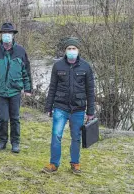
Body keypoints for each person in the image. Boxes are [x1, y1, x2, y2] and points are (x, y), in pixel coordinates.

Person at [42, 37, 95, 175]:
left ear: (78, 50)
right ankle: (53, 164)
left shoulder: (86, 67)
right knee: (56, 135)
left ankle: (75, 163)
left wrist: (90, 111)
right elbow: (52, 87)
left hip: (78, 108)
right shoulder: (58, 66)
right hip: (60, 107)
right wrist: (48, 107)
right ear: (65, 51)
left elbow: (90, 91)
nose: (72, 51)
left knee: (76, 137)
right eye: (69, 49)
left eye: (74, 49)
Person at [0, 22, 32, 153]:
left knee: (15, 118)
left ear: (13, 35)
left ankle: (15, 142)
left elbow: (26, 71)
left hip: (15, 90)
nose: (7, 36)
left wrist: (28, 89)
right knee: (3, 118)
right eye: (4, 33)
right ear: (1, 35)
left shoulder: (21, 51)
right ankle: (2, 141)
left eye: (9, 33)